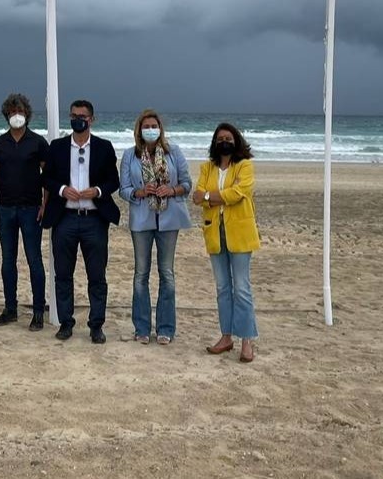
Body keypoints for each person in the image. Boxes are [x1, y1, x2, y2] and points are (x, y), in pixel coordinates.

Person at [41, 100, 120, 344]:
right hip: (64, 218)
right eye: (74, 115)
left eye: (83, 116)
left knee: (96, 275)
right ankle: (66, 322)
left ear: (91, 119)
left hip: (94, 219)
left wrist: (96, 191)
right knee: (63, 274)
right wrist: (63, 189)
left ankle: (96, 325)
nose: (78, 119)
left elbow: (113, 181)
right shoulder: (57, 147)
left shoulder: (104, 147)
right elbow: (47, 178)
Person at [118, 110, 192, 345]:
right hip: (141, 220)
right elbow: (123, 190)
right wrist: (140, 192)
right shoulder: (130, 156)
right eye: (146, 125)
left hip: (169, 220)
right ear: (139, 130)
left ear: (160, 128)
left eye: (154, 125)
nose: (151, 129)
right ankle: (141, 327)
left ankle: (166, 328)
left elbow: (187, 184)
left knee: (166, 273)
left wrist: (171, 190)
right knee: (141, 273)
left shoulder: (174, 152)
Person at [195, 122, 261, 363]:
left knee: (241, 288)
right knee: (223, 288)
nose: (225, 141)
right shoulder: (207, 167)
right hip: (215, 233)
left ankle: (247, 340)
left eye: (229, 138)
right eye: (220, 138)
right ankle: (226, 336)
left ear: (236, 141)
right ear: (215, 142)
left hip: (240, 234)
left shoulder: (245, 166)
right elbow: (196, 196)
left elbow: (239, 193)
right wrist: (212, 198)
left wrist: (210, 197)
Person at [0, 94, 50, 331]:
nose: (16, 114)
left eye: (20, 110)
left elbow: (48, 176)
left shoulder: (38, 142)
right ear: (6, 115)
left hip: (31, 209)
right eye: (12, 111)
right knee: (7, 261)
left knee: (34, 260)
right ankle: (10, 309)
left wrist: (45, 204)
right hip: (5, 209)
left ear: (27, 113)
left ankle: (38, 312)